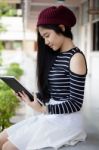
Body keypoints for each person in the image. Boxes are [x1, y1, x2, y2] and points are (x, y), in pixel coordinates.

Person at [0, 5, 87, 150]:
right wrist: (32, 97)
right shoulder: (55, 56)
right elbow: (54, 94)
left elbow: (75, 103)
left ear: (61, 27)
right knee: (1, 137)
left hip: (67, 121)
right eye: (43, 37)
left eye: (47, 35)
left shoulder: (76, 57)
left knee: (9, 147)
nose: (46, 42)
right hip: (51, 116)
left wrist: (43, 109)